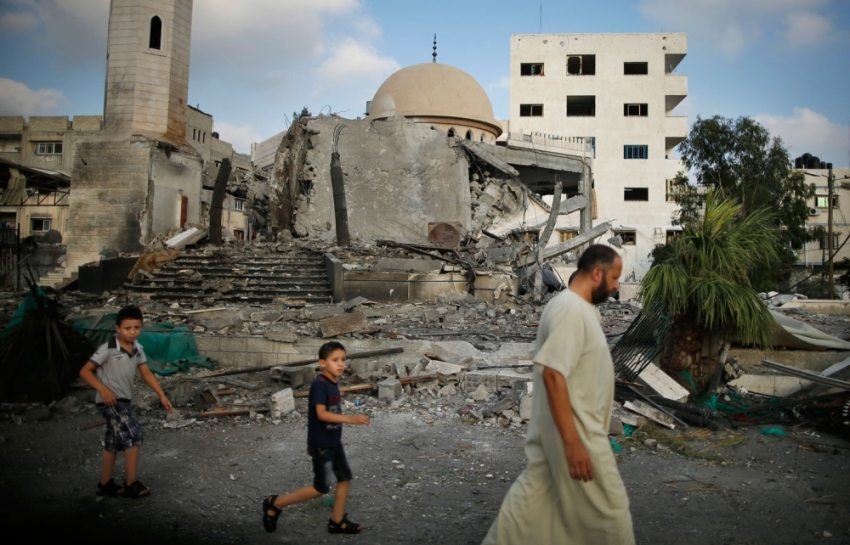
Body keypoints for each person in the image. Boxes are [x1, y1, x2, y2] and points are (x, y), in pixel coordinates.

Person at [482, 244, 635, 545]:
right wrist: (573, 443)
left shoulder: (574, 307)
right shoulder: (570, 310)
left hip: (558, 435)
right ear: (596, 273)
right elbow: (553, 374)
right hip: (579, 437)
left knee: (531, 510)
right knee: (611, 519)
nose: (618, 285)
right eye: (615, 277)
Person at [262, 341, 371, 535]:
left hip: (333, 443)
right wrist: (350, 419)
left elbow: (313, 420)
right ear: (322, 363)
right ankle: (275, 503)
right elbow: (320, 414)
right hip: (323, 445)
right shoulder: (319, 385)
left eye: (343, 360)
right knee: (320, 488)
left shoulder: (332, 383)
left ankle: (336, 521)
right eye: (335, 360)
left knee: (345, 478)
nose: (340, 364)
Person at [79, 305, 172, 499]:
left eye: (136, 328)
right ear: (117, 328)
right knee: (134, 435)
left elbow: (146, 373)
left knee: (113, 443)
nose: (132, 332)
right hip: (110, 402)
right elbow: (85, 371)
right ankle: (131, 484)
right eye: (127, 328)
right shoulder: (109, 348)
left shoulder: (138, 349)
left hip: (124, 401)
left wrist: (162, 395)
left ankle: (105, 485)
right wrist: (103, 390)